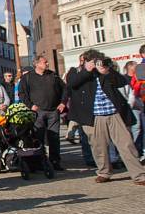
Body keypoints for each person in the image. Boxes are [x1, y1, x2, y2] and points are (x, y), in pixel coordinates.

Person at [66, 50, 145, 185]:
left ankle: (139, 175)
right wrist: (87, 70)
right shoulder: (76, 71)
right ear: (87, 61)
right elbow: (72, 83)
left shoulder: (106, 72)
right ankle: (104, 172)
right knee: (98, 146)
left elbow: (121, 82)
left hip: (114, 113)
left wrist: (108, 71)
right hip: (93, 116)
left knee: (126, 144)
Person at [18, 55, 67, 170]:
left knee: (54, 138)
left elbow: (65, 89)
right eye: (45, 62)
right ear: (37, 64)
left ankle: (55, 161)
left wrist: (63, 102)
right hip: (37, 112)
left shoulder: (53, 75)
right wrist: (30, 105)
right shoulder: (28, 77)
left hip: (53, 111)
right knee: (38, 138)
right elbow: (22, 94)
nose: (47, 64)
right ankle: (40, 162)